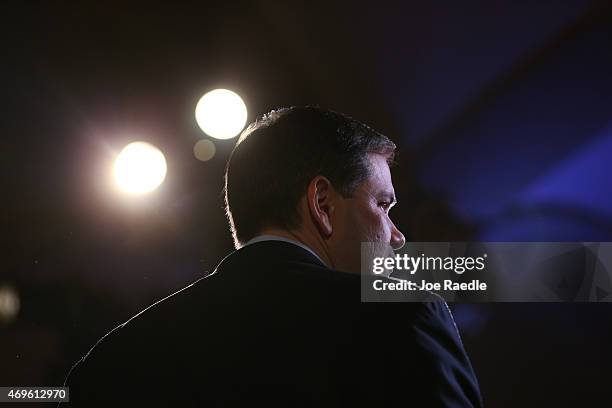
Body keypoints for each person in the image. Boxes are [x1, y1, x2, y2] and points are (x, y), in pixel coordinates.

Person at [62, 106, 482, 406]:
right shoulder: (400, 317)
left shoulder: (110, 364)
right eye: (383, 206)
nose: (398, 237)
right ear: (323, 204)